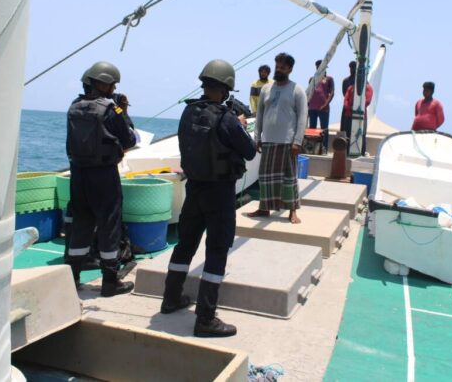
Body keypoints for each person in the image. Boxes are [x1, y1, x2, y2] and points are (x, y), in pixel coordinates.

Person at [160, 59, 257, 338]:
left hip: (195, 191)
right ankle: (205, 318)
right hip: (220, 194)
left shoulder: (188, 113)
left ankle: (171, 298)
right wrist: (240, 125)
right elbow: (249, 152)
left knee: (185, 246)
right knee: (216, 252)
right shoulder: (227, 119)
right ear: (226, 89)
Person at [66, 61, 137, 297]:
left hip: (78, 175)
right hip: (103, 176)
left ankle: (72, 277)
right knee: (109, 225)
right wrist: (124, 112)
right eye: (112, 83)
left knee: (81, 223)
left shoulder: (74, 106)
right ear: (103, 84)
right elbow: (129, 140)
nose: (114, 87)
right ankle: (110, 281)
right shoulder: (110, 109)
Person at [247, 52, 308, 224]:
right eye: (277, 66)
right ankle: (264, 208)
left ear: (290, 69)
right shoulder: (266, 89)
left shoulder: (297, 90)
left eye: (282, 67)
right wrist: (257, 137)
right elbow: (259, 115)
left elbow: (303, 117)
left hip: (287, 142)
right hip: (268, 140)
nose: (278, 70)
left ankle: (292, 212)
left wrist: (297, 141)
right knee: (265, 177)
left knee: (288, 178)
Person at [307, 59, 334, 152]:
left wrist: (326, 104)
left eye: (321, 66)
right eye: (317, 66)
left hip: (324, 108)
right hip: (312, 108)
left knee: (324, 129)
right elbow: (309, 93)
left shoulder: (329, 79)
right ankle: (311, 148)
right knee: (312, 128)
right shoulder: (312, 79)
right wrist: (307, 105)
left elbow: (332, 93)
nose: (319, 67)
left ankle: (324, 148)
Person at [342, 78, 374, 154]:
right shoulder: (351, 88)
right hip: (348, 115)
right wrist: (350, 108)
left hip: (361, 116)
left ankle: (362, 152)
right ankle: (346, 152)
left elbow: (367, 101)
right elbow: (345, 100)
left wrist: (356, 107)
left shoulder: (368, 88)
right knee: (347, 133)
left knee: (362, 135)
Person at [339, 61, 357, 142]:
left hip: (356, 108)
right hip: (347, 107)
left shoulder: (361, 81)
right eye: (351, 67)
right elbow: (344, 93)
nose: (351, 69)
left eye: (353, 67)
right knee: (344, 127)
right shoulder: (345, 81)